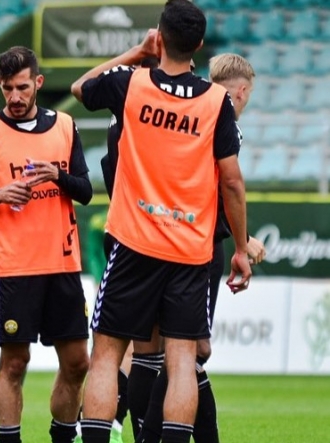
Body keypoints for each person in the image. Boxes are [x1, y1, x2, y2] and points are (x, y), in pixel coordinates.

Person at [69, 1, 252, 442]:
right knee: (183, 358)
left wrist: (135, 52)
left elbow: (80, 87)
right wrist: (243, 249)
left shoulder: (132, 84)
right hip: (190, 249)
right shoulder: (216, 102)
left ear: (160, 37)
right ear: (200, 45)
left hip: (134, 242)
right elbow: (231, 182)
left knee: (108, 354)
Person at [0, 46, 92, 443]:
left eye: (23, 88)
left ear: (38, 84)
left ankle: (62, 436)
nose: (15, 97)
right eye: (9, 88)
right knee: (15, 363)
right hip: (14, 267)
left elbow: (84, 192)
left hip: (62, 264)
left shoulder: (65, 125)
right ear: (0, 84)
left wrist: (58, 175)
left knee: (78, 362)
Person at [136, 52, 266, 443]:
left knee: (174, 348)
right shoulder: (226, 124)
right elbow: (220, 189)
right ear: (242, 91)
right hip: (200, 247)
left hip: (159, 236)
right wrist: (244, 241)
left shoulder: (189, 111)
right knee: (189, 350)